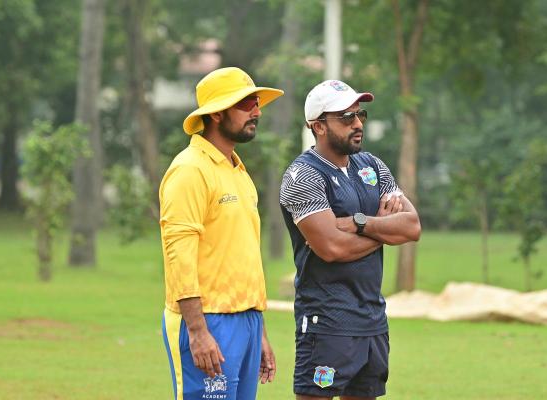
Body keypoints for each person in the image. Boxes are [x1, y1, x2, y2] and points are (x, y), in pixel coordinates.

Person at [279, 80, 421, 399]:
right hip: (327, 324)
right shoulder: (303, 177)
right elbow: (331, 248)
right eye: (346, 118)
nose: (357, 124)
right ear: (318, 126)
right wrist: (384, 228)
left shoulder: (372, 166)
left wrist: (359, 223)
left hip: (372, 321)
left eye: (359, 115)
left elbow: (411, 227)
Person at [160, 67, 283, 400]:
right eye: (245, 104)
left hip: (246, 321)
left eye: (256, 103)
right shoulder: (189, 170)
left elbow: (242, 257)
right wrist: (198, 331)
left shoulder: (237, 170)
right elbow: (179, 256)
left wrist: (259, 331)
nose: (256, 111)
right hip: (207, 321)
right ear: (216, 113)